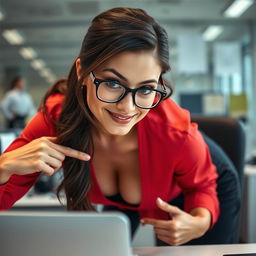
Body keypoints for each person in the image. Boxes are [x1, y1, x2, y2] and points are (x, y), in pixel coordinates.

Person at [0, 8, 220, 246]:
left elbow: (204, 187)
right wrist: (3, 167)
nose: (127, 107)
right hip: (128, 205)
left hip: (192, 189)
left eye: (146, 89)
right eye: (113, 83)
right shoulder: (57, 119)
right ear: (82, 72)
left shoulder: (176, 133)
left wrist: (199, 223)